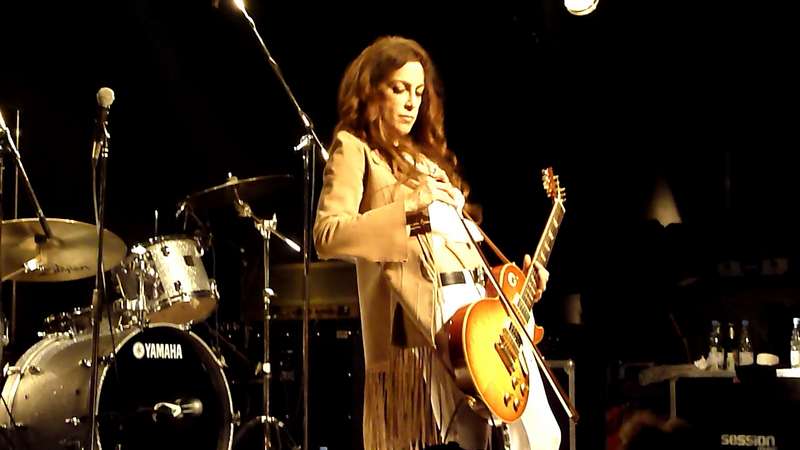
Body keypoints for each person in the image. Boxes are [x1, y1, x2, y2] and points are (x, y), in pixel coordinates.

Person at [313, 35, 561, 450]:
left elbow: (461, 248)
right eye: (399, 89)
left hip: (479, 305)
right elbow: (328, 234)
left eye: (418, 91)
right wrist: (409, 209)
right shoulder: (354, 149)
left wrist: (516, 286)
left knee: (541, 434)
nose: (411, 102)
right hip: (428, 312)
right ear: (372, 92)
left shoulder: (428, 162)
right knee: (472, 438)